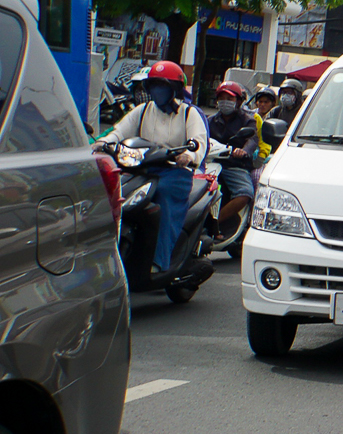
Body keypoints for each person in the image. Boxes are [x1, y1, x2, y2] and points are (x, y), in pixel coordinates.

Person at [95, 61, 210, 276]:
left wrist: (189, 155)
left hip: (175, 172)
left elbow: (199, 142)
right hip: (142, 169)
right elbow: (119, 131)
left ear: (174, 89)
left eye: (162, 85)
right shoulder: (144, 110)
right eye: (154, 85)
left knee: (165, 199)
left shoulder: (189, 114)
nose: (157, 90)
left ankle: (160, 262)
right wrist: (103, 143)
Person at [207, 82, 260, 232]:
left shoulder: (248, 120)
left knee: (245, 193)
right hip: (212, 164)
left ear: (238, 101)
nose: (225, 102)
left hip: (234, 166)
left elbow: (252, 140)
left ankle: (214, 224)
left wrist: (243, 151)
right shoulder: (210, 121)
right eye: (221, 98)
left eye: (229, 99)